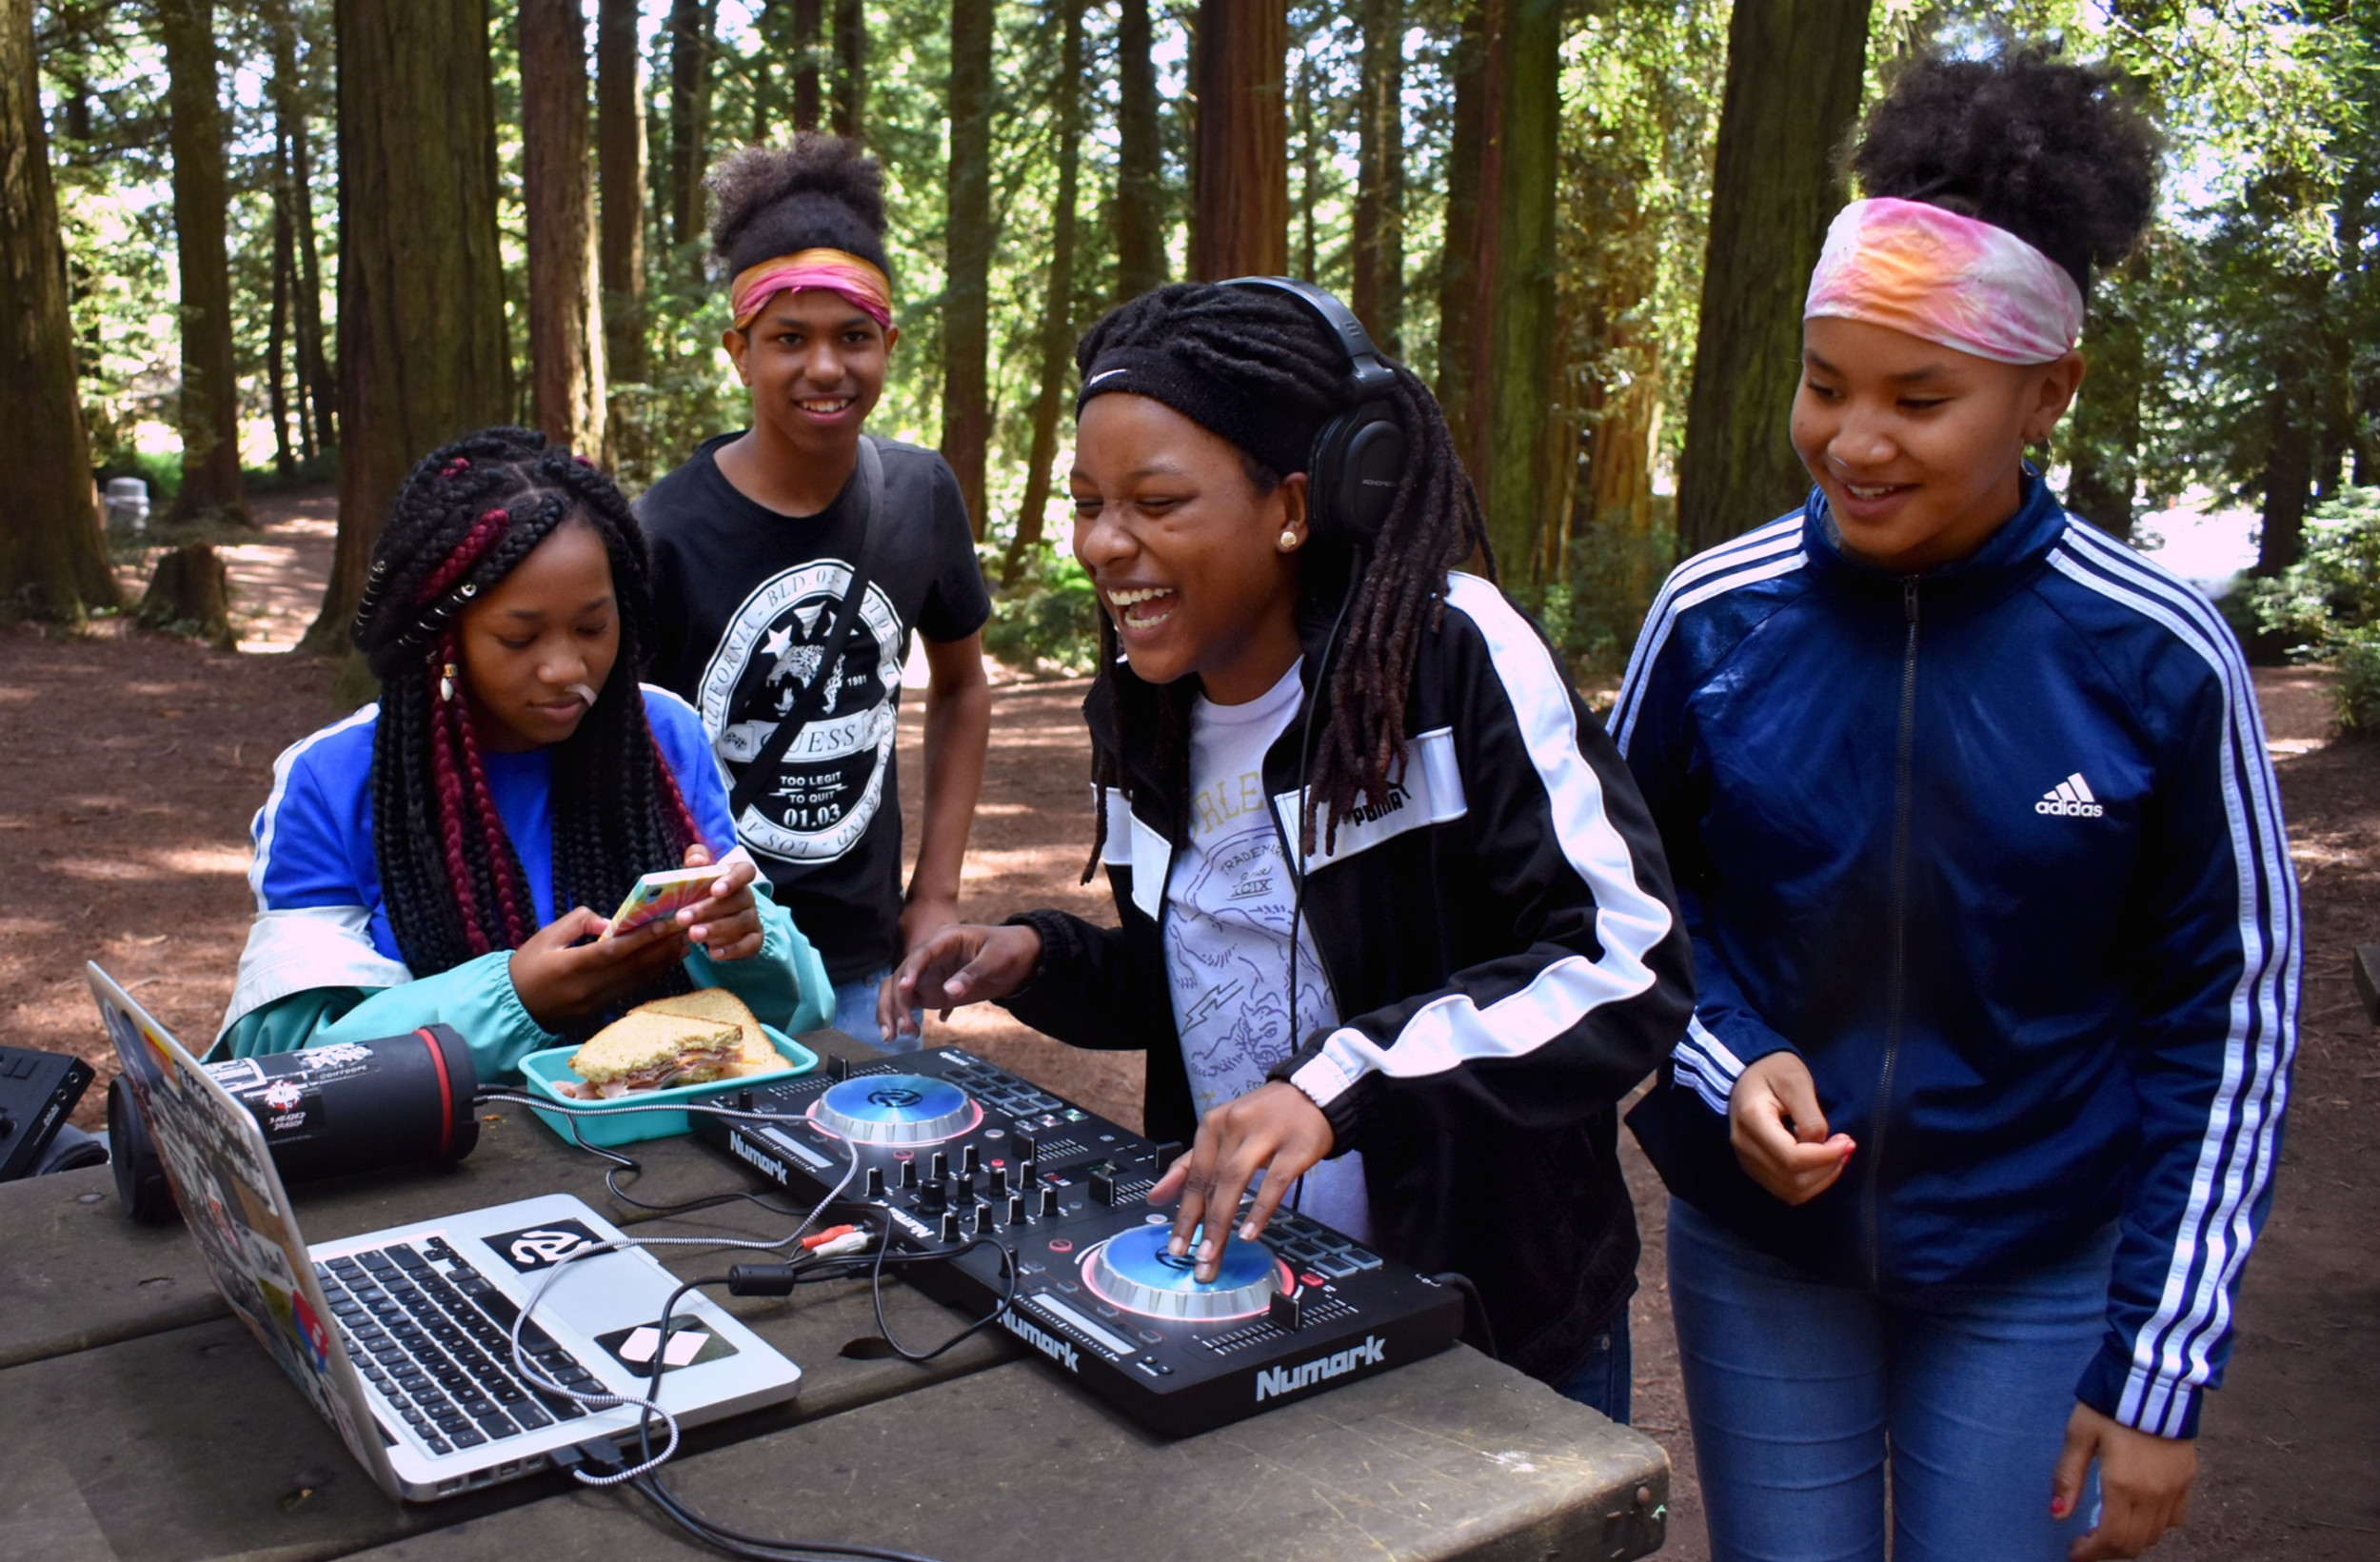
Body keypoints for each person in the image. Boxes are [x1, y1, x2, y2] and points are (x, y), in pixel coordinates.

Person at [1616, 44, 2298, 1562]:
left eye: (1921, 398)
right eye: (1825, 383)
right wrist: (1725, 1067)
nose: (1856, 442)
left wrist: (2161, 1373)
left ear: (2046, 391)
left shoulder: (2156, 657)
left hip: (2037, 1264)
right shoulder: (1714, 617)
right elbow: (1619, 906)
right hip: (1764, 1249)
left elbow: (2230, 1015)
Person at [883, 280, 1695, 1415]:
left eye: (1155, 502)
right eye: (1086, 504)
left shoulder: (1451, 658)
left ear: (1298, 505)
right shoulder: (1143, 704)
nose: (1103, 547)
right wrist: (1045, 957)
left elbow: (1622, 966)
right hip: (1245, 1296)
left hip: (1484, 1316)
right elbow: (1203, 976)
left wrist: (1338, 1086)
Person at [214, 429, 834, 1079]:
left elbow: (804, 1014)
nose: (567, 668)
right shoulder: (331, 780)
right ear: (443, 640)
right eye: (519, 637)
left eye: (594, 627)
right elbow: (287, 1063)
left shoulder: (664, 736)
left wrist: (749, 943)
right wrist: (514, 1000)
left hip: (665, 1154)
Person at [638, 134, 991, 1051]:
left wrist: (937, 891)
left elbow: (961, 684)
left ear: (889, 345)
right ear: (739, 351)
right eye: (789, 339)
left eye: (853, 337)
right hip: (702, 975)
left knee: (870, 1192)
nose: (825, 368)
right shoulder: (660, 535)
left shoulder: (919, 496)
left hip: (867, 977)